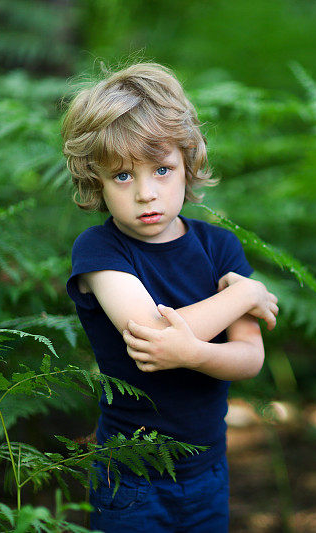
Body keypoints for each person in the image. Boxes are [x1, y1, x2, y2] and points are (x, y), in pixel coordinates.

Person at [62, 62, 279, 532]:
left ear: (188, 164)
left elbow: (249, 358)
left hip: (208, 470)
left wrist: (194, 352)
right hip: (132, 477)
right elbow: (153, 337)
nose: (146, 193)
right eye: (122, 176)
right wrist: (247, 293)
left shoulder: (219, 247)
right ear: (94, 178)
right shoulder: (100, 250)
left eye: (162, 169)